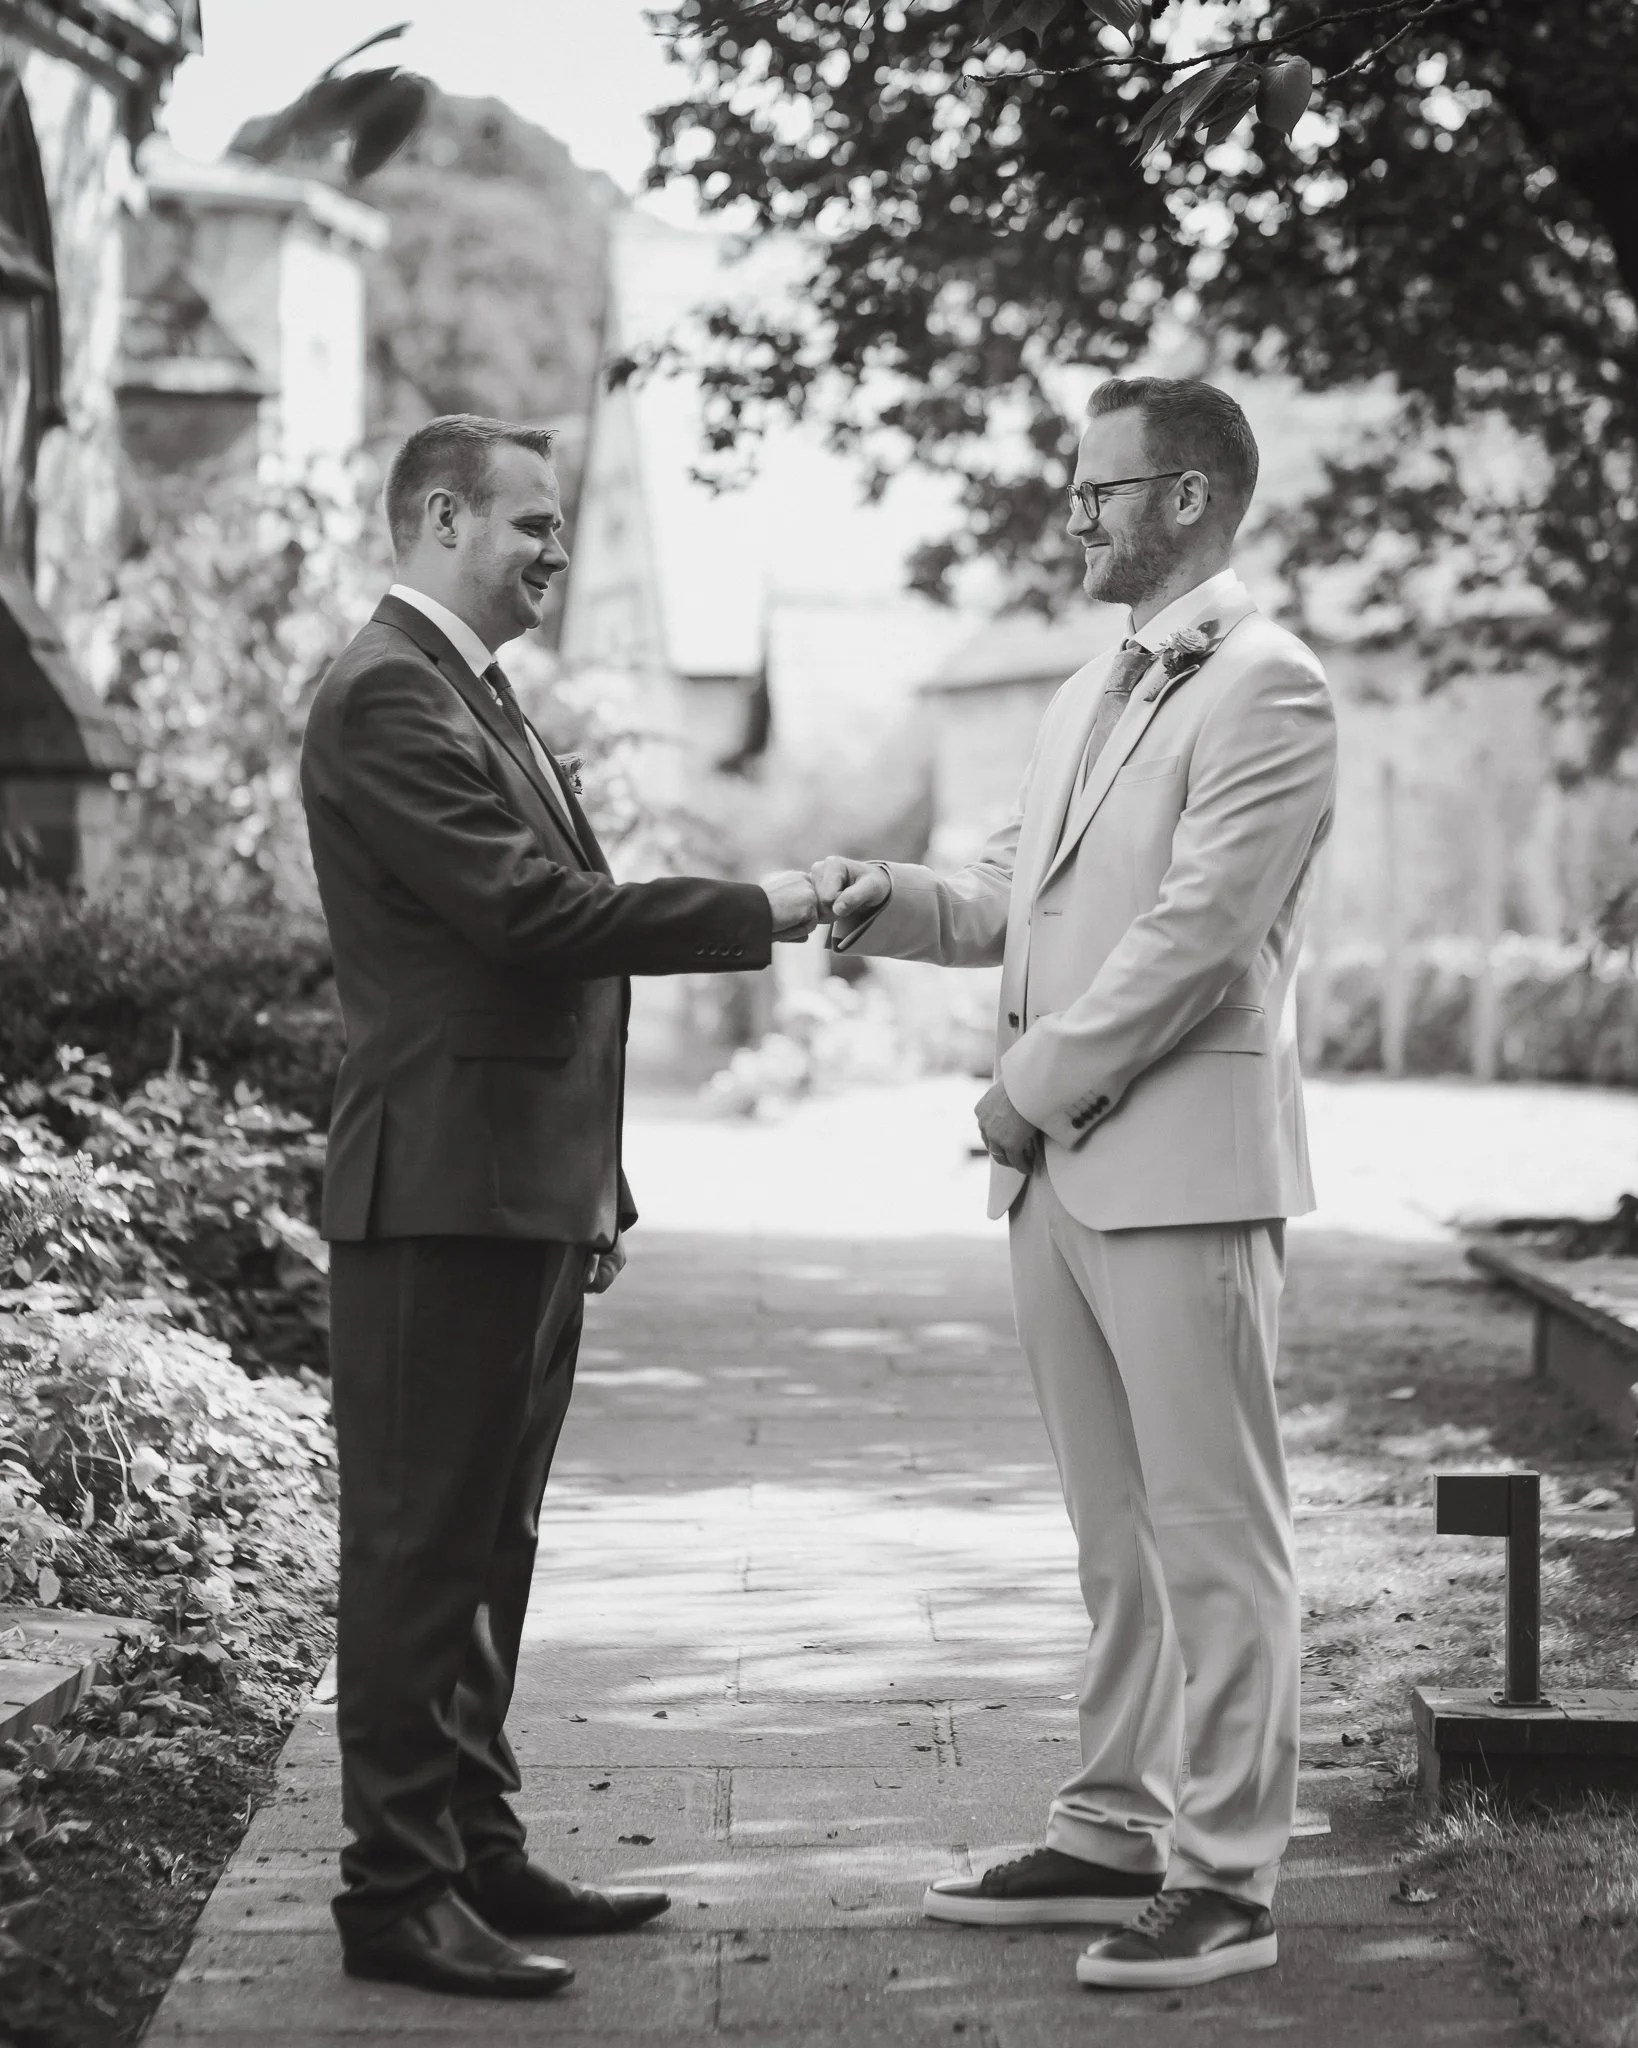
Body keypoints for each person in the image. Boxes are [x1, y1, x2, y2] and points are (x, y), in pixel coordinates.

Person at [811, 376, 1337, 1993]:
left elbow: (1196, 937)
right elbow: (1009, 894)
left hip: (1177, 1173)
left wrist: (1021, 1094)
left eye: (1098, 490)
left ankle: (1230, 1878)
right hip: (1059, 1188)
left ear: (1184, 498)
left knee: (1214, 1533)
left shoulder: (1271, 688)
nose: (1076, 516)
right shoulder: (1079, 691)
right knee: (1112, 1537)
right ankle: (1109, 1826)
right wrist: (881, 893)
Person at [300, 413, 817, 2000]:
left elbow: (533, 960)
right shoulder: (389, 692)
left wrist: (592, 1183)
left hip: (511, 1191)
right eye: (530, 523)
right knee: (415, 1547)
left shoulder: (473, 693)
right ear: (439, 518)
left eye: (564, 525)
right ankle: (393, 1895)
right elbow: (529, 920)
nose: (555, 550)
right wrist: (764, 906)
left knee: (488, 1545)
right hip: (436, 1192)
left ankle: (472, 1846)